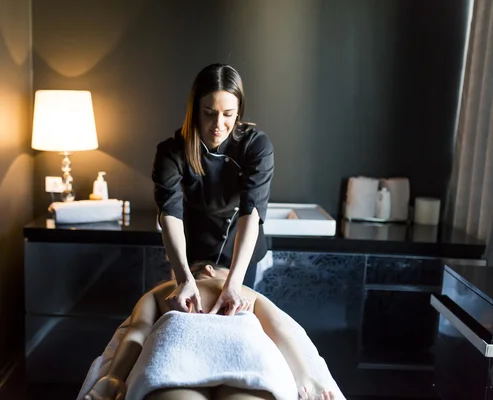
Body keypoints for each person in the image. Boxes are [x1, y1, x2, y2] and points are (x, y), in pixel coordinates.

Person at [84, 261, 336, 400]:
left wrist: (114, 376)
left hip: (177, 353)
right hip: (244, 352)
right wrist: (307, 379)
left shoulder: (160, 292)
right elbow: (281, 330)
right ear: (209, 269)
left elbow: (136, 333)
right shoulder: (244, 292)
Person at [152, 63, 274, 316]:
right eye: (209, 112)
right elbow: (170, 215)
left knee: (239, 320)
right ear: (195, 110)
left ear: (239, 111)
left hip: (240, 248)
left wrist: (235, 282)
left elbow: (251, 212)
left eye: (228, 114)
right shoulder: (171, 152)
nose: (218, 124)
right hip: (192, 247)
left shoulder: (256, 146)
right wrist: (184, 276)